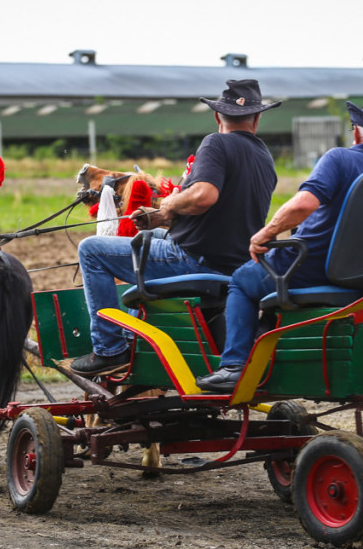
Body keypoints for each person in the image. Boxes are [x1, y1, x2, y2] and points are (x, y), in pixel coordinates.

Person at [196, 97, 363, 393]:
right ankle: (270, 346)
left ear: (356, 132)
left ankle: (234, 366)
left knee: (241, 281)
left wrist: (267, 232)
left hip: (309, 268)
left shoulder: (339, 158)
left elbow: (303, 205)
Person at [71, 79, 278, 376]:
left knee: (91, 249)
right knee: (148, 234)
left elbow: (205, 196)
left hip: (194, 260)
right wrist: (160, 218)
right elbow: (223, 211)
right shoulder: (264, 157)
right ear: (257, 118)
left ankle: (109, 349)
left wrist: (167, 204)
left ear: (218, 116)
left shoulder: (216, 142)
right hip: (235, 263)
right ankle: (135, 331)